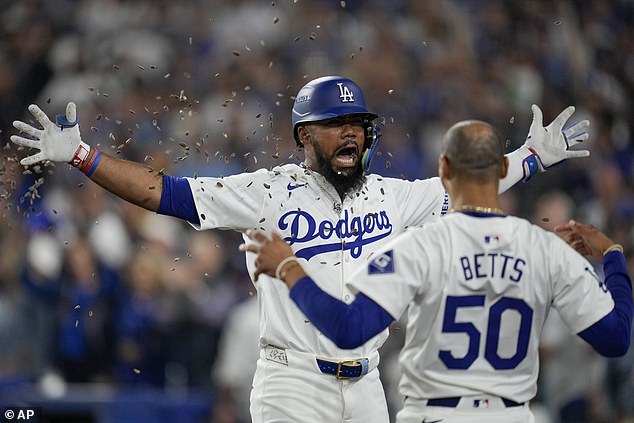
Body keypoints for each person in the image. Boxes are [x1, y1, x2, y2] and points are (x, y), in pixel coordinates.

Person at [12, 76, 591, 422]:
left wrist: (533, 156)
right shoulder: (267, 191)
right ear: (303, 136)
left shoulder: (394, 196)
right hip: (292, 384)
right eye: (334, 124)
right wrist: (84, 156)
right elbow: (165, 193)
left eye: (357, 124)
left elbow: (474, 184)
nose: (349, 134)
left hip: (367, 384)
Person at [244, 120, 633, 423]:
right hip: (511, 414)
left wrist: (290, 268)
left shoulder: (418, 247)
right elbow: (616, 338)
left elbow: (348, 330)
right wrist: (613, 256)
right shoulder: (547, 249)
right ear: (500, 169)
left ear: (444, 169)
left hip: (435, 412)